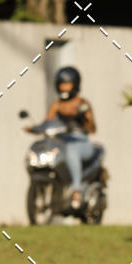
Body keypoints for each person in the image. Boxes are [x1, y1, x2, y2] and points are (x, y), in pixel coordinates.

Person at [41, 66, 97, 209]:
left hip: (81, 143)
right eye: (62, 84)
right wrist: (34, 128)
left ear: (75, 84)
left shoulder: (82, 104)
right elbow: (47, 122)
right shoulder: (57, 105)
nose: (64, 88)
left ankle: (76, 191)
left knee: (71, 150)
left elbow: (93, 129)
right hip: (63, 141)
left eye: (67, 84)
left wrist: (84, 118)